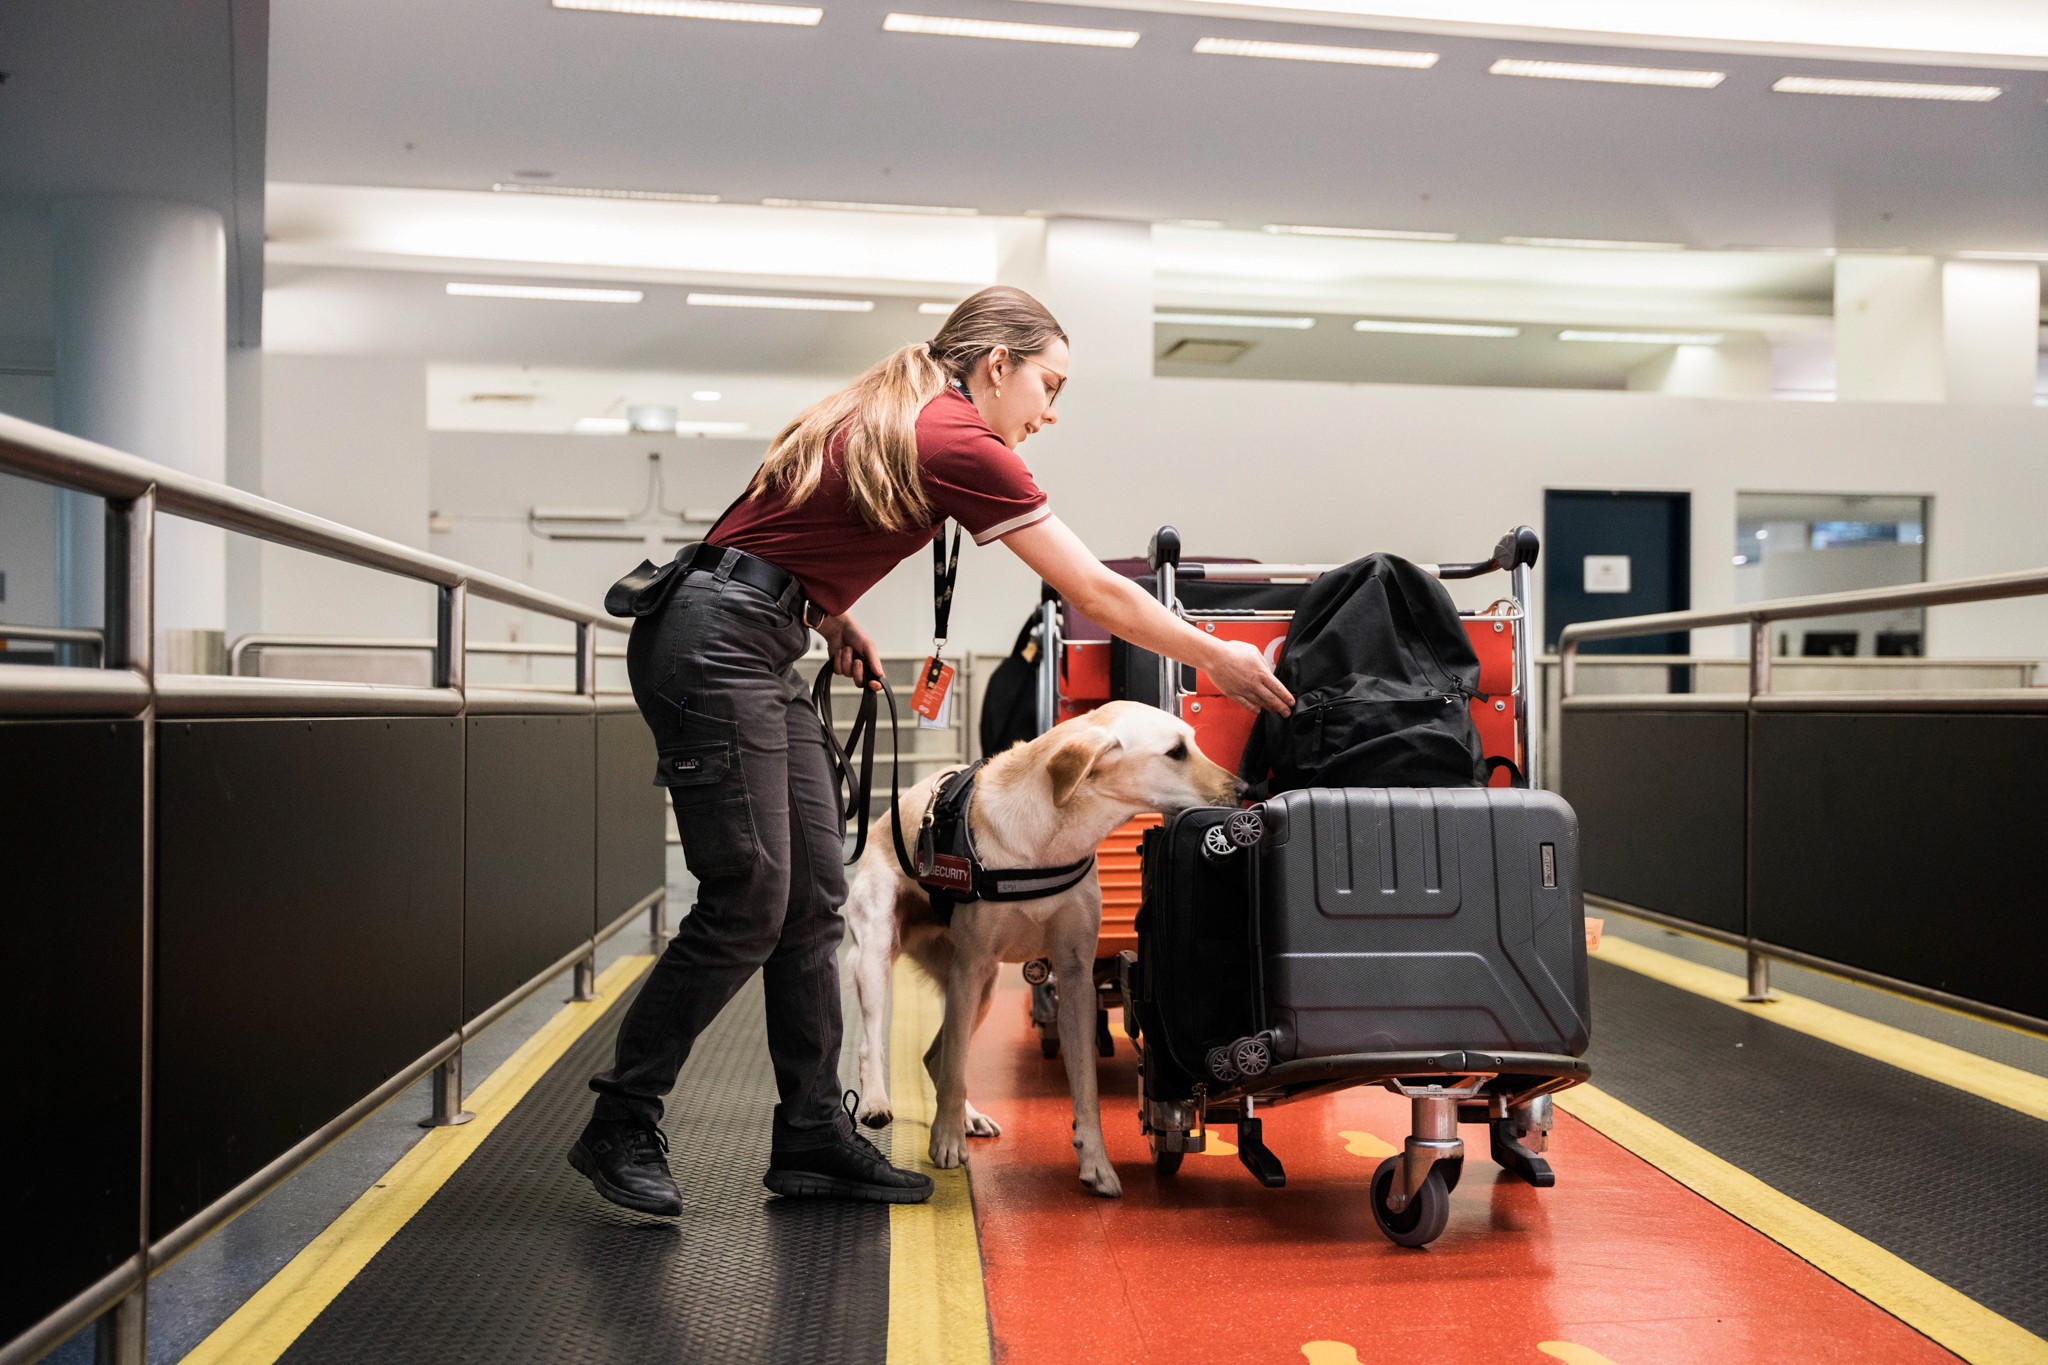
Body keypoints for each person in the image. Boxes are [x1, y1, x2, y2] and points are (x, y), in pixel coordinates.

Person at [570, 285, 1293, 1215]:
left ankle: (810, 1135)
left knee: (813, 898)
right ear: (998, 365)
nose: (1050, 411)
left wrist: (825, 613)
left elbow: (777, 527)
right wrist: (1214, 655)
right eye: (1048, 384)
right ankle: (622, 1116)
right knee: (751, 894)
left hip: (751, 629)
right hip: (717, 644)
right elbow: (1093, 591)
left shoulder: (899, 409)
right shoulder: (956, 437)